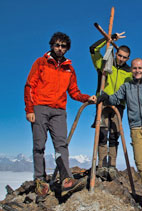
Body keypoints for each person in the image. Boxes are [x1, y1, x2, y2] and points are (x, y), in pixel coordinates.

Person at [24, 32, 96, 202]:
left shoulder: (69, 68)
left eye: (63, 46)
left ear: (67, 48)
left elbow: (74, 92)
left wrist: (87, 98)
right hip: (40, 108)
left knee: (61, 145)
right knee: (39, 146)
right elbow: (29, 86)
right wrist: (30, 109)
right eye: (57, 45)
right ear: (51, 45)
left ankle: (66, 179)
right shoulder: (41, 62)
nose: (60, 48)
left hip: (59, 111)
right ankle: (40, 181)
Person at [97, 58, 142, 211]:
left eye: (140, 68)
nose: (137, 70)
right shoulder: (126, 87)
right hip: (136, 129)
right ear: (132, 70)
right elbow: (115, 98)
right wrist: (106, 97)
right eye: (134, 68)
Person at [90, 32, 132, 180]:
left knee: (114, 135)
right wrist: (109, 39)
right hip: (102, 103)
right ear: (116, 53)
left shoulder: (129, 73)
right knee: (102, 134)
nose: (120, 59)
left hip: (118, 106)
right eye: (119, 55)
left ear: (128, 58)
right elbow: (93, 49)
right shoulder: (105, 62)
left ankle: (112, 166)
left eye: (124, 57)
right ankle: (101, 165)